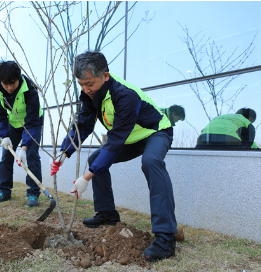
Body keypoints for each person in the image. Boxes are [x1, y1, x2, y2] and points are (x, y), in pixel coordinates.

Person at [50, 51, 178, 262]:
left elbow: (116, 138)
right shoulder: (90, 95)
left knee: (151, 161)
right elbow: (82, 125)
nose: (85, 89)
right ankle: (107, 214)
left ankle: (165, 238)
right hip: (129, 138)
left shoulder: (125, 95)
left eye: (89, 83)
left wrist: (86, 178)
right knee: (95, 160)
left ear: (106, 76)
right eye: (81, 84)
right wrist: (64, 153)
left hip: (155, 132)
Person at [0, 60, 44, 208]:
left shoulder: (30, 90)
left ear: (19, 78)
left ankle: (33, 193)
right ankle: (4, 191)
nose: (8, 87)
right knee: (6, 156)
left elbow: (32, 122)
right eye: (5, 83)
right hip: (13, 124)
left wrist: (24, 148)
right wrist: (4, 136)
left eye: (12, 83)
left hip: (32, 124)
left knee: (32, 156)